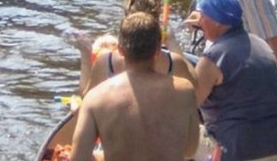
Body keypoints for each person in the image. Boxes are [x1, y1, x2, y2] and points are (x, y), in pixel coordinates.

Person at [70, 12, 199, 161]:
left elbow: (78, 159)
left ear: (120, 50)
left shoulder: (95, 98)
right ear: (158, 49)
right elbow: (190, 149)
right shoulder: (185, 91)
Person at [194, 0, 277, 161]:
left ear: (217, 22)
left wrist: (173, 49)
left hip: (238, 151)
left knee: (172, 131)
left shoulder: (213, 58)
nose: (199, 23)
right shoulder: (261, 44)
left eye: (203, 17)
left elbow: (189, 103)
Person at [77, 0, 197, 95]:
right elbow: (197, 92)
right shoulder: (174, 63)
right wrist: (172, 42)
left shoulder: (106, 62)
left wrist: (86, 55)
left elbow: (86, 97)